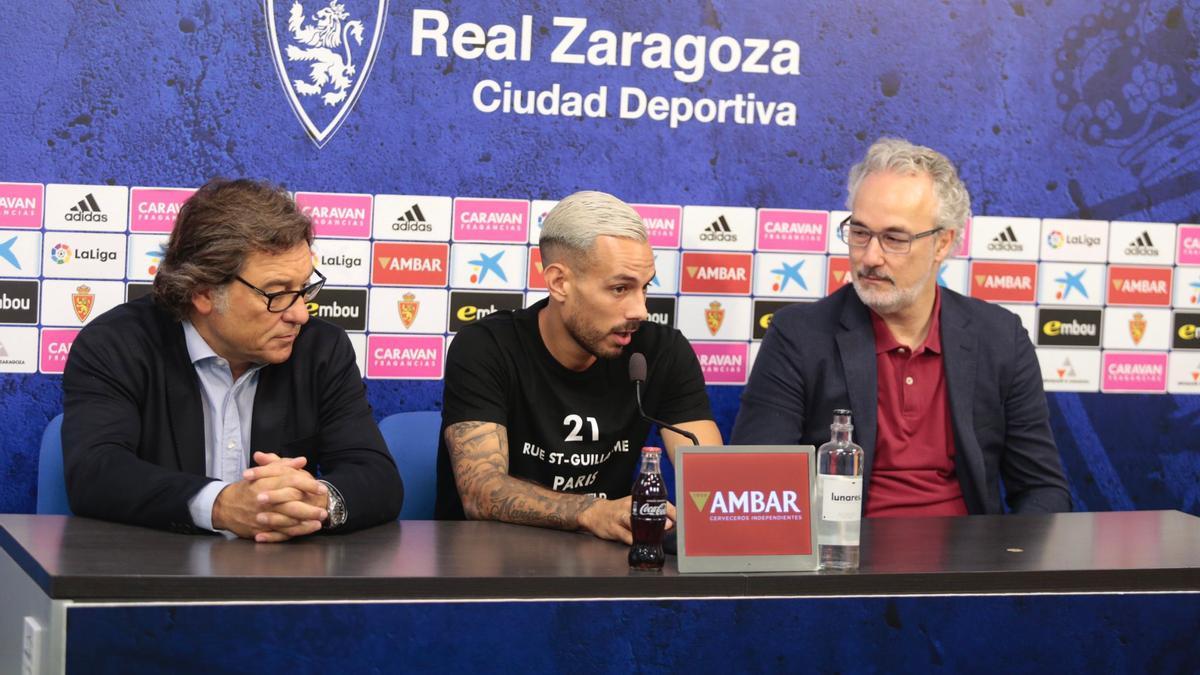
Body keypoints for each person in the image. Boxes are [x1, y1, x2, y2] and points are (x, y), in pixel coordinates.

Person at [732, 138, 1071, 515]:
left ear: (943, 243)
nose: (870, 257)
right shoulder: (798, 336)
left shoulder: (1000, 337)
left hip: (969, 563)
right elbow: (755, 487)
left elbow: (1042, 489)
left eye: (894, 238)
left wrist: (1011, 566)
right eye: (860, 233)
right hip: (844, 559)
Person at [62, 178, 403, 541]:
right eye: (277, 294)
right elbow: (97, 472)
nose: (300, 314)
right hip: (158, 577)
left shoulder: (321, 349)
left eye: (304, 288)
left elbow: (377, 477)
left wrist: (314, 503)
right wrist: (222, 505)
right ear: (203, 293)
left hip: (281, 581)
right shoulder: (116, 344)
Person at [436, 191, 722, 542]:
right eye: (619, 288)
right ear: (559, 283)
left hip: (606, 573)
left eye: (644, 288)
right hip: (491, 571)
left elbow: (713, 483)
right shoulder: (487, 346)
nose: (640, 310)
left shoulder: (660, 351)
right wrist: (590, 511)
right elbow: (481, 492)